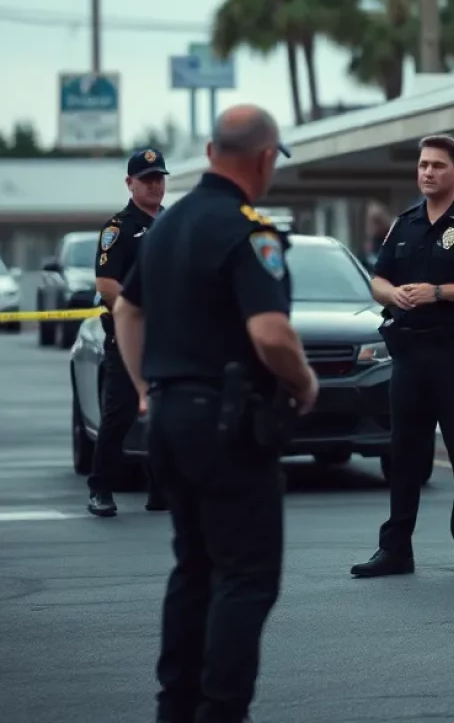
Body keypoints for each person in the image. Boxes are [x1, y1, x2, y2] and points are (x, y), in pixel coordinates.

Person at [112, 105, 319, 723]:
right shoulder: (251, 230)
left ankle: (175, 706)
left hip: (168, 419)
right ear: (263, 159)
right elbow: (271, 333)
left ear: (208, 152)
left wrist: (147, 388)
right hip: (228, 426)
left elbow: (126, 311)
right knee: (246, 577)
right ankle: (221, 711)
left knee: (194, 566)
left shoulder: (167, 226)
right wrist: (304, 381)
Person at [351, 133, 454, 581]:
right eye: (423, 165)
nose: (427, 172)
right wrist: (394, 293)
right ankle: (395, 550)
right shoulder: (405, 224)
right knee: (405, 455)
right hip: (410, 355)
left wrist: (439, 292)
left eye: (437, 166)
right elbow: (378, 279)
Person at [87, 147, 171, 517]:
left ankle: (162, 490)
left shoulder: (173, 224)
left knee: (167, 414)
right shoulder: (118, 229)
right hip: (128, 338)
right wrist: (134, 319)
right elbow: (107, 285)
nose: (154, 185)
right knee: (120, 413)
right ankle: (101, 488)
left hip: (169, 339)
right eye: (147, 179)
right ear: (130, 183)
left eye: (159, 178)